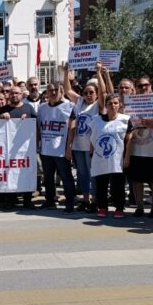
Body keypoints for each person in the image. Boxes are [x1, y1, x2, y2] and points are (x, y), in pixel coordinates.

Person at [64, 63, 101, 212]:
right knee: (82, 173)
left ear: (96, 94)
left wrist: (99, 73)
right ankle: (85, 199)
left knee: (93, 173)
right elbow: (67, 90)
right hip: (79, 146)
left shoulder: (98, 105)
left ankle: (94, 200)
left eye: (91, 92)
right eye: (86, 92)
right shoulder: (79, 102)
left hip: (92, 146)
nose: (88, 95)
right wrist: (66, 71)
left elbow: (106, 92)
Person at [90, 93, 133, 218]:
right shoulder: (96, 120)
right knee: (101, 184)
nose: (113, 105)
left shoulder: (125, 119)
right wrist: (92, 153)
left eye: (115, 103)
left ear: (120, 105)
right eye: (110, 103)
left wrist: (127, 157)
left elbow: (129, 139)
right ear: (106, 105)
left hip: (117, 158)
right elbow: (92, 138)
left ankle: (119, 207)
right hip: (100, 156)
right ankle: (102, 207)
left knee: (117, 185)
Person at [127, 77, 153, 218]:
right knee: (137, 180)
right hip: (136, 148)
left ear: (151, 85)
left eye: (146, 85)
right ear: (136, 87)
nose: (143, 88)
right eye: (140, 85)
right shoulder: (131, 103)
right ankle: (140, 207)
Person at [37, 83, 76, 213]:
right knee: (48, 178)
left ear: (61, 91)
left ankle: (70, 202)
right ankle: (50, 201)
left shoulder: (69, 106)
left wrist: (69, 147)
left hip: (61, 149)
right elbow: (38, 127)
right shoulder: (41, 108)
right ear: (46, 92)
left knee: (66, 177)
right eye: (50, 90)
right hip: (46, 149)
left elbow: (72, 128)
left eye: (56, 90)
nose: (53, 93)